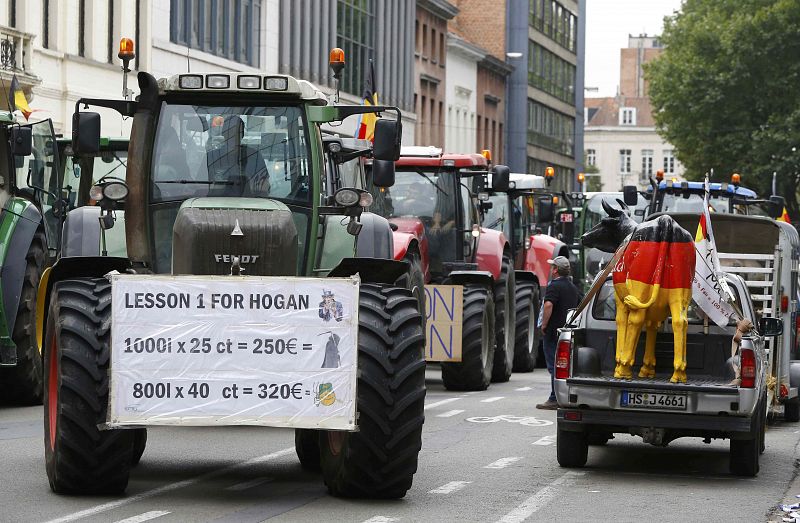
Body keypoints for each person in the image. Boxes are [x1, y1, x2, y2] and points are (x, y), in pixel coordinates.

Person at [536, 256, 581, 410]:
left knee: (553, 367)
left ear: (555, 270)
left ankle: (554, 398)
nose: (550, 269)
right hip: (567, 332)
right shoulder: (573, 287)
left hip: (553, 333)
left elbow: (548, 305)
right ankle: (562, 396)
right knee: (563, 367)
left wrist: (544, 324)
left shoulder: (554, 286)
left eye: (552, 267)